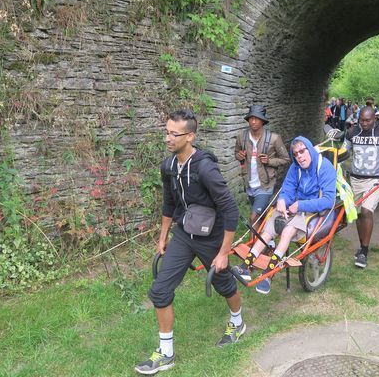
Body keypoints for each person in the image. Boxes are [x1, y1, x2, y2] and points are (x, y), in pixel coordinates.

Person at [136, 110, 244, 375]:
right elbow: (169, 204)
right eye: (167, 132)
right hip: (184, 234)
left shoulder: (205, 168)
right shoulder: (169, 167)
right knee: (160, 291)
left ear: (191, 136)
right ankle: (166, 354)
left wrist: (223, 253)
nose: (168, 138)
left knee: (223, 283)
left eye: (175, 134)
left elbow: (231, 210)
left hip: (212, 237)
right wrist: (162, 238)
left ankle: (237, 322)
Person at [234, 137, 336, 294]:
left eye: (302, 151)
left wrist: (301, 205)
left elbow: (328, 200)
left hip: (311, 210)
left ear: (310, 149)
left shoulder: (325, 167)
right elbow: (288, 189)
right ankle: (245, 267)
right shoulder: (295, 168)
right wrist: (282, 200)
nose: (300, 156)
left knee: (288, 231)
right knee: (268, 230)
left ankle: (268, 274)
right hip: (292, 206)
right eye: (296, 154)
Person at [344, 106, 379, 268]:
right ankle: (362, 246)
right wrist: (337, 167)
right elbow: (343, 152)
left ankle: (364, 251)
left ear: (375, 118)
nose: (364, 123)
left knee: (366, 211)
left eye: (368, 120)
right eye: (361, 120)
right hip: (355, 180)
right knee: (357, 215)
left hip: (375, 180)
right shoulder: (352, 132)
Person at [234, 104, 290, 224]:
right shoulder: (241, 137)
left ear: (262, 121)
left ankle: (253, 243)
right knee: (261, 215)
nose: (253, 121)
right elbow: (236, 153)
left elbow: (285, 159)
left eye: (257, 118)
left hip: (265, 185)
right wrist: (239, 156)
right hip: (249, 184)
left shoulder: (274, 138)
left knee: (253, 217)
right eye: (251, 118)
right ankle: (268, 239)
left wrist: (269, 161)